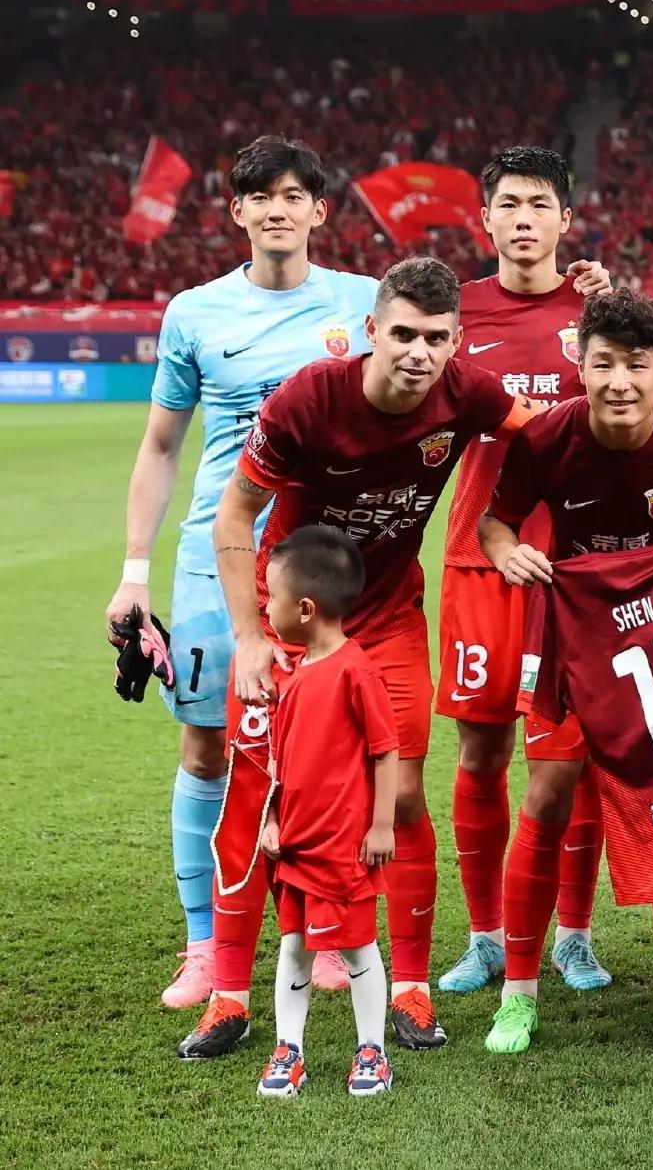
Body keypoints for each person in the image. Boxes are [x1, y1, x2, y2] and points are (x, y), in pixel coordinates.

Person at [212, 255, 535, 1053]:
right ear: (372, 331)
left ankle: (413, 989)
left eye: (436, 338)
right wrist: (250, 637)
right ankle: (227, 996)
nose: (419, 352)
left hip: (387, 621)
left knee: (403, 796)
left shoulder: (467, 393)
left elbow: (553, 432)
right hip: (290, 624)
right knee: (256, 799)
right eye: (403, 335)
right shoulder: (308, 400)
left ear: (456, 342)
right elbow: (234, 516)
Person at [104, 135, 378, 1026]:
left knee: (332, 748)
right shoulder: (195, 313)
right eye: (261, 195)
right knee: (205, 744)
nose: (278, 209)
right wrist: (134, 573)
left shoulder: (363, 302)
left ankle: (327, 927)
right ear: (237, 211)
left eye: (295, 195)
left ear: (318, 210)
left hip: (325, 555)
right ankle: (204, 944)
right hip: (214, 560)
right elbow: (160, 447)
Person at [476, 290, 653, 1054]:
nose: (620, 381)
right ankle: (518, 995)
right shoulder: (547, 437)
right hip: (572, 629)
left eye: (637, 365)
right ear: (580, 365)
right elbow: (495, 523)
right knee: (548, 793)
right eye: (604, 363)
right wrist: (507, 554)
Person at [434, 145, 614, 999]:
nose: (524, 218)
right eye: (508, 203)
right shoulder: (455, 313)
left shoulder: (598, 311)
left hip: (576, 567)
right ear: (486, 219)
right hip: (480, 559)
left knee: (571, 760)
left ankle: (573, 935)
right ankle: (485, 937)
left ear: (566, 220)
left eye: (540, 203)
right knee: (481, 750)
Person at [251, 527, 398, 1099]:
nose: (267, 608)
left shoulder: (356, 671)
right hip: (296, 844)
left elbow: (385, 751)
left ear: (306, 609)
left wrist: (380, 825)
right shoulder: (293, 674)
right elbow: (281, 761)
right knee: (294, 946)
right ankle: (289, 1050)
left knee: (358, 946)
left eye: (273, 598)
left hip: (342, 846)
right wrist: (271, 820)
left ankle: (372, 1050)